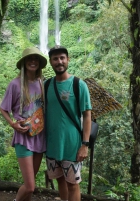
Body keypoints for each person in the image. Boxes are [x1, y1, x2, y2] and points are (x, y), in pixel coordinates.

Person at [0, 47, 47, 201]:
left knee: (30, 189)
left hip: (39, 135)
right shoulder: (15, 84)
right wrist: (13, 124)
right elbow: (3, 108)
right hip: (23, 137)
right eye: (29, 59)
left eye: (36, 59)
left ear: (39, 63)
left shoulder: (42, 83)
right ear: (24, 63)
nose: (33, 62)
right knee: (30, 186)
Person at [45, 45, 92, 201]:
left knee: (73, 184)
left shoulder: (79, 85)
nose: (59, 62)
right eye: (55, 59)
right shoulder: (46, 85)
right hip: (52, 144)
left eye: (62, 58)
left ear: (68, 59)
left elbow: (87, 116)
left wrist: (85, 145)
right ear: (50, 62)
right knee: (60, 180)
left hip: (72, 144)